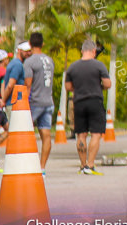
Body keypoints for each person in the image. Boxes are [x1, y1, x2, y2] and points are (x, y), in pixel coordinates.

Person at [65, 39, 111, 174]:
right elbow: (108, 84)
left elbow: (68, 87)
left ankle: (83, 165)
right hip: (95, 101)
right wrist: (98, 87)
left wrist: (79, 89)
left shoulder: (72, 67)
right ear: (93, 51)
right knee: (96, 134)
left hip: (78, 102)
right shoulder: (99, 66)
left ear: (81, 51)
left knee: (81, 135)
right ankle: (90, 165)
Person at [24, 32, 55, 170]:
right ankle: (41, 168)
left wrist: (23, 103)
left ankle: (25, 164)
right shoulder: (49, 60)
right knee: (46, 135)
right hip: (48, 101)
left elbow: (28, 85)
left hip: (35, 102)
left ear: (30, 44)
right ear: (43, 44)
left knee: (24, 132)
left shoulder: (29, 61)